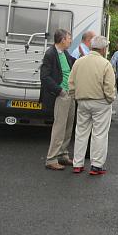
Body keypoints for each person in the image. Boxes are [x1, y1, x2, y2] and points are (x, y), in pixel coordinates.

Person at [69, 35, 116, 176]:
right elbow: (109, 87)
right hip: (101, 102)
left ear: (91, 47)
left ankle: (77, 164)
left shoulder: (79, 62)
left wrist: (75, 96)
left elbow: (71, 83)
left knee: (81, 133)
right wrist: (110, 99)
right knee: (99, 134)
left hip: (82, 101)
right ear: (103, 49)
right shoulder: (106, 64)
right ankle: (96, 166)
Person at [40, 29, 76, 170]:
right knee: (59, 127)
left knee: (68, 126)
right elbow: (45, 77)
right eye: (69, 38)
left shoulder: (65, 53)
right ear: (62, 40)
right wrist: (59, 90)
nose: (70, 40)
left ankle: (63, 154)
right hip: (62, 95)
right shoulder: (50, 54)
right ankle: (51, 159)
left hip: (70, 94)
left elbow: (74, 64)